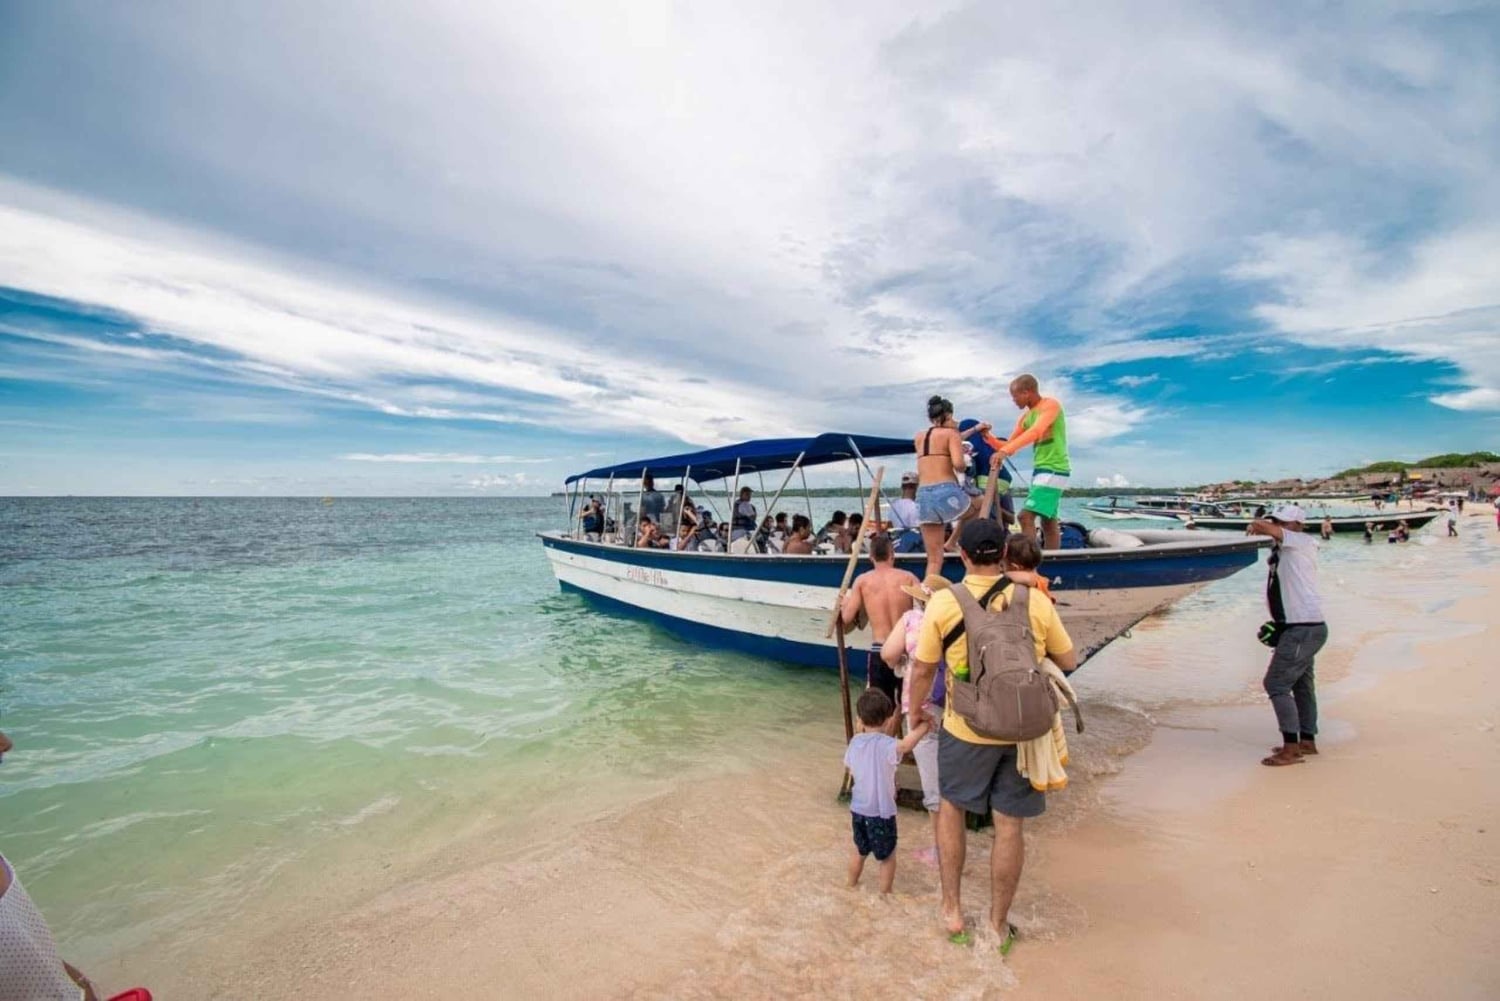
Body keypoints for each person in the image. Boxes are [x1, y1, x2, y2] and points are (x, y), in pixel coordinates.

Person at [904, 519, 1077, 952]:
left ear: (961, 555)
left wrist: (914, 713)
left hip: (967, 727)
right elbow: (1068, 659)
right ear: (1004, 554)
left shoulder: (945, 604)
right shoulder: (1034, 601)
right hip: (1023, 731)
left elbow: (923, 668)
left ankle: (952, 911)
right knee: (1008, 825)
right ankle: (998, 925)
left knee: (952, 811)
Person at [1247, 505, 1329, 767]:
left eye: (1284, 522)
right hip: (1300, 626)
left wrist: (1260, 522)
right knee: (1301, 685)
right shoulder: (1284, 546)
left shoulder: (1301, 541)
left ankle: (1291, 749)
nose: (1278, 526)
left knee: (1276, 684)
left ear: (1298, 525)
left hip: (1302, 629)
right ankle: (1306, 740)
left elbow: (1260, 527)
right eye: (1277, 521)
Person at [844, 689, 930, 893]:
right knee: (888, 856)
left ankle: (850, 885)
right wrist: (924, 726)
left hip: (858, 811)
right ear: (888, 720)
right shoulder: (888, 744)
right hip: (881, 813)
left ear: (859, 719)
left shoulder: (854, 743)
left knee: (860, 850)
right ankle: (884, 894)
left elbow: (850, 767)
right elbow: (907, 745)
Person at [881, 583, 944, 863]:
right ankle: (956, 843)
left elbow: (888, 655)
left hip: (921, 707)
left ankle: (941, 852)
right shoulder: (955, 619)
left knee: (933, 786)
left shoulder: (912, 619)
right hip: (956, 706)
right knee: (953, 778)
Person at [841, 535, 920, 714]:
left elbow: (846, 618)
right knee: (907, 706)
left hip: (880, 650)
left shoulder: (863, 581)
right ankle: (904, 738)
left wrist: (845, 603)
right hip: (905, 650)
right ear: (892, 555)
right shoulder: (908, 578)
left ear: (871, 557)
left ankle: (884, 738)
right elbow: (924, 609)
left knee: (879, 711)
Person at [993, 375, 1070, 551]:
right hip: (1041, 469)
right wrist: (987, 437)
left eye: (1015, 396)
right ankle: (1053, 561)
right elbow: (1008, 445)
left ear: (1027, 392)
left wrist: (1004, 452)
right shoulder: (1025, 417)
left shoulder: (1050, 405)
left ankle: (1030, 564)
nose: (1013, 401)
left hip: (1054, 469)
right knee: (1048, 520)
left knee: (1024, 517)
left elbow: (1037, 431)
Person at [914, 395, 979, 580]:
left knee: (934, 560)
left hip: (923, 495)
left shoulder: (919, 437)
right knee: (979, 503)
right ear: (948, 415)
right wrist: (965, 463)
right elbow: (959, 464)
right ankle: (954, 542)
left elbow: (935, 446)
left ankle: (926, 599)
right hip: (945, 490)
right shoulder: (951, 435)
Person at [888, 473, 923, 552]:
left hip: (896, 547)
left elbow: (889, 526)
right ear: (916, 487)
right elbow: (919, 530)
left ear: (902, 487)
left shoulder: (893, 505)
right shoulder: (916, 507)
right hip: (912, 548)